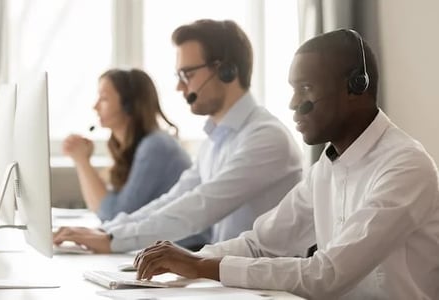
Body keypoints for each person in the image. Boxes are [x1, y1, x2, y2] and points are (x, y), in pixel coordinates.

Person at [132, 29, 439, 299]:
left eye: (305, 88)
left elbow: (326, 276)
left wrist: (202, 266)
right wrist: (181, 260)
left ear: (355, 87)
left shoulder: (405, 167)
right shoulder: (326, 168)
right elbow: (261, 243)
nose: (293, 103)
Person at [53, 19, 303, 253]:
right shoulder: (215, 141)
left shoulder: (266, 137)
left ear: (227, 71)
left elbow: (200, 208)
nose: (180, 87)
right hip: (226, 276)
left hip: (263, 288)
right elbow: (174, 199)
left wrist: (112, 240)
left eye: (188, 74)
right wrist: (106, 232)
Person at [62, 68, 192, 222]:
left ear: (129, 105)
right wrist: (81, 160)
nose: (95, 106)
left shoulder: (155, 147)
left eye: (103, 98)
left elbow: (114, 215)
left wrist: (82, 161)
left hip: (186, 245)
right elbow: (100, 208)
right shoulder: (137, 146)